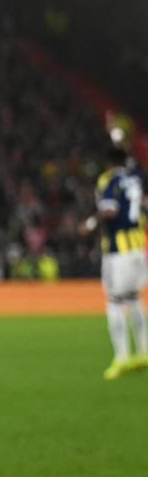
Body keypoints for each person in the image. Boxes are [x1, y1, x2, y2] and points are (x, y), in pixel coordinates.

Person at [86, 147, 148, 379]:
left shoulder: (111, 181)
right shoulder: (135, 179)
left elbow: (109, 211)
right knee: (134, 298)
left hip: (118, 250)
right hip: (138, 247)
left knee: (114, 302)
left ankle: (121, 358)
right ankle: (143, 352)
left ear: (109, 162)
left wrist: (91, 224)